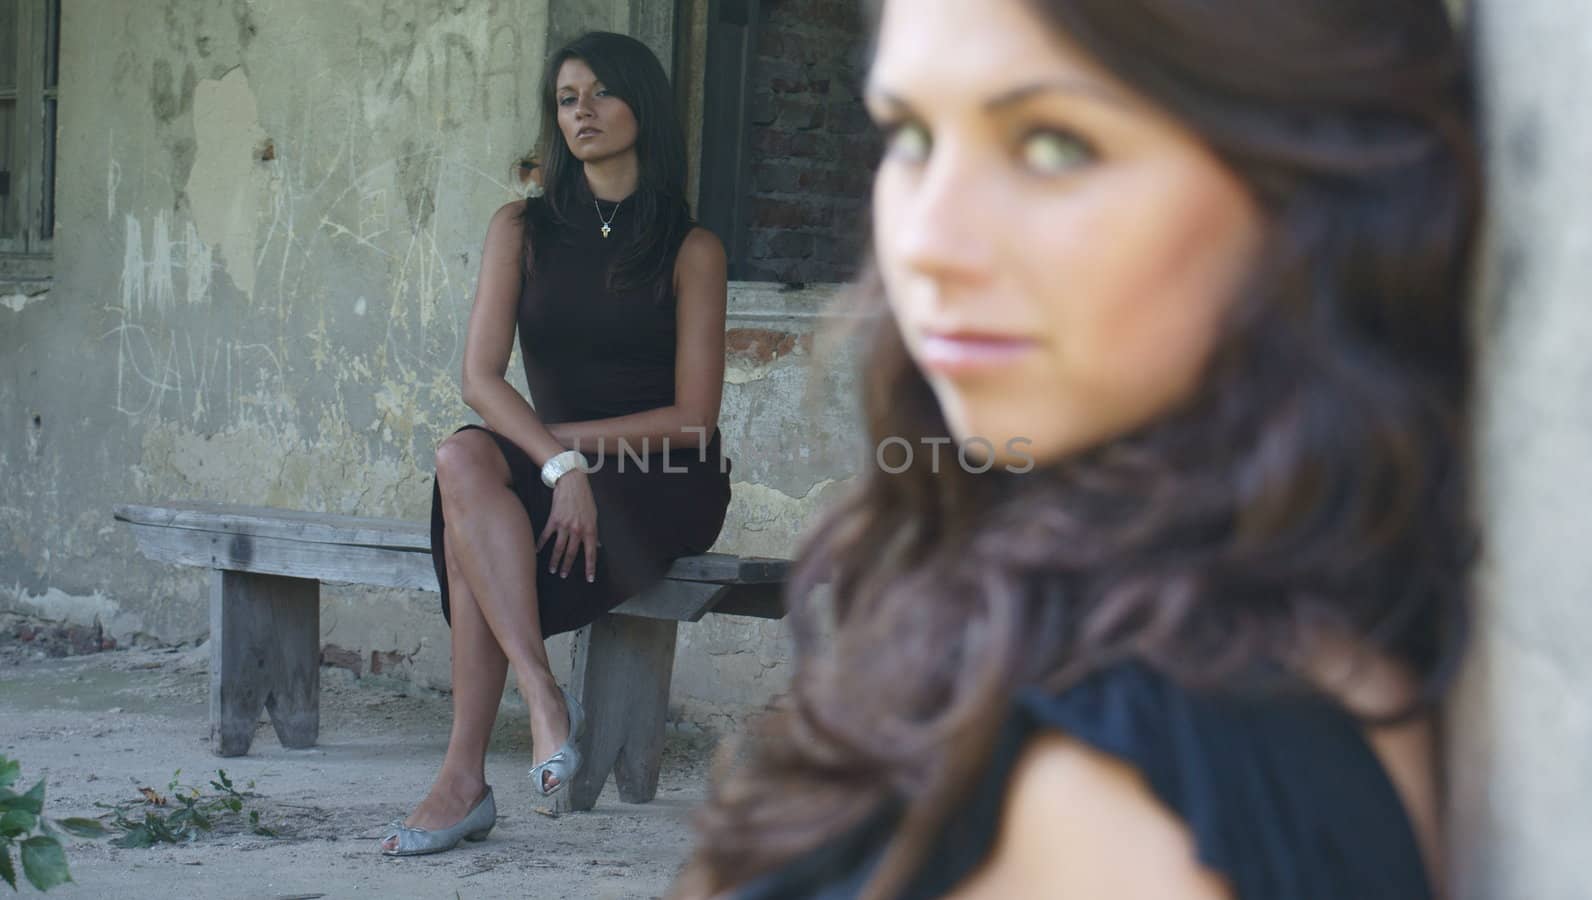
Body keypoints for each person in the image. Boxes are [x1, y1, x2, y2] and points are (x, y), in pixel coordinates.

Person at [677, 0, 1479, 897]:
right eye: (910, 136)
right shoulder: (1205, 621)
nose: (926, 244)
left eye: (1054, 144)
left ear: (1304, 182)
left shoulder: (1123, 792)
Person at [381, 31, 732, 856]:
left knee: (472, 519)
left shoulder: (692, 248)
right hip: (553, 463)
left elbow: (693, 419)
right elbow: (479, 378)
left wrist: (558, 452)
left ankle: (463, 779)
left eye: (602, 94)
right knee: (461, 458)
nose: (583, 111)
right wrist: (556, 463)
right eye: (568, 98)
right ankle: (542, 694)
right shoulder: (522, 227)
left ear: (643, 108)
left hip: (661, 473)